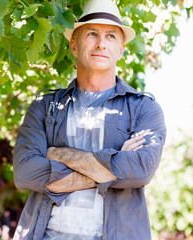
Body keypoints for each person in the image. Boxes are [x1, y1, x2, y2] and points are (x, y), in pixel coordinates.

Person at [13, 0, 166, 239]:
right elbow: (25, 173)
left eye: (111, 36)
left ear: (121, 49)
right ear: (74, 45)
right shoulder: (44, 107)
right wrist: (111, 166)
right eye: (92, 33)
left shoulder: (143, 109)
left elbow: (139, 171)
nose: (101, 44)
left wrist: (59, 154)